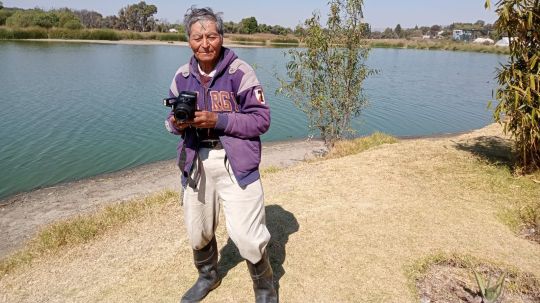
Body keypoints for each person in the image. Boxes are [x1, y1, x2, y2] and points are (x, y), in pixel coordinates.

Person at [164, 6, 278, 303]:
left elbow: (261, 120)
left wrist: (218, 120)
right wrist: (177, 123)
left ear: (222, 37)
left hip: (235, 162)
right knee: (197, 229)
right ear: (188, 40)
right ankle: (208, 276)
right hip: (195, 162)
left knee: (247, 237)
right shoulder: (182, 76)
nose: (205, 44)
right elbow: (169, 121)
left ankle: (265, 287)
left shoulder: (240, 72)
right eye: (197, 37)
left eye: (211, 36)